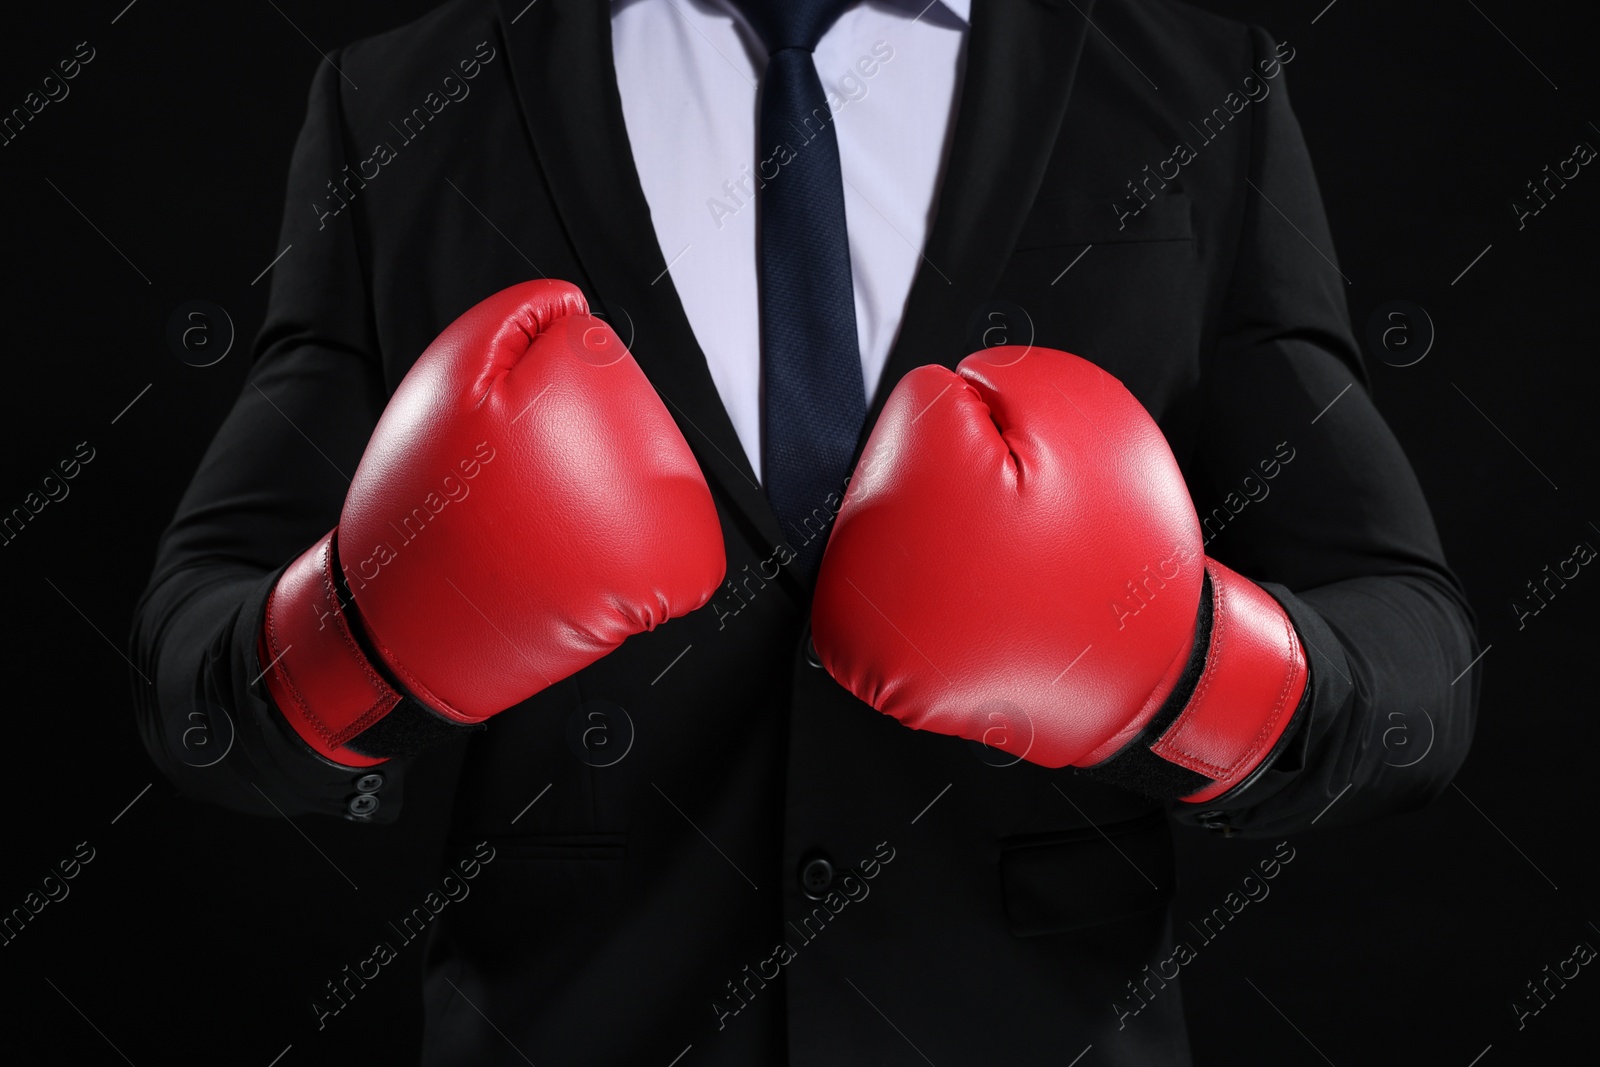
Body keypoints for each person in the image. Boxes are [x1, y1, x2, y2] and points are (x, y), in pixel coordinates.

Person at [130, 0, 1479, 1063]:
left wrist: (1190, 670)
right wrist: (359, 636)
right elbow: (194, 671)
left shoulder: (1195, 91)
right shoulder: (404, 102)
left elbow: (1412, 649)